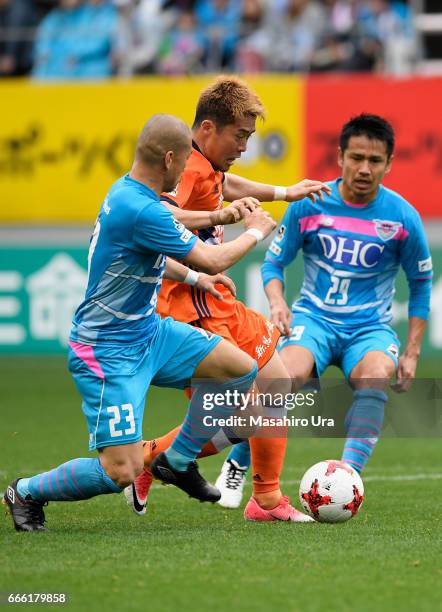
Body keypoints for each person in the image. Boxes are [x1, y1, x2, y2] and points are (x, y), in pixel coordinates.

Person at [3, 113, 278, 532]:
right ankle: (25, 491)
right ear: (169, 159)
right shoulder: (141, 209)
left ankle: (177, 461)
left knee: (241, 370)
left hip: (149, 332)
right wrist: (254, 231)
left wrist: (201, 264)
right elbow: (212, 255)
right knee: (121, 472)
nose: (188, 170)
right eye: (186, 161)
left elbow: (158, 248)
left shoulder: (128, 192)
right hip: (106, 350)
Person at [126, 76, 330, 522]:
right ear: (205, 129)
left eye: (249, 137)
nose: (244, 145)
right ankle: (154, 459)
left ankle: (265, 500)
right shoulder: (188, 168)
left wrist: (284, 191)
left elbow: (224, 184)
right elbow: (158, 212)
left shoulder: (206, 165)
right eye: (239, 136)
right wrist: (217, 235)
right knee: (245, 409)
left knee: (276, 388)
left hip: (213, 299)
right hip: (186, 305)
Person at [215, 113, 432, 508]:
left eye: (375, 161)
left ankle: (347, 480)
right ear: (340, 156)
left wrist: (413, 351)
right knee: (285, 377)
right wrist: (278, 302)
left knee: (375, 374)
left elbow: (420, 286)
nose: (364, 169)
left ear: (389, 163)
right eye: (356, 158)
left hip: (370, 327)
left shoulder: (402, 217)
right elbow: (274, 263)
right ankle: (238, 462)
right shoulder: (311, 203)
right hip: (313, 319)